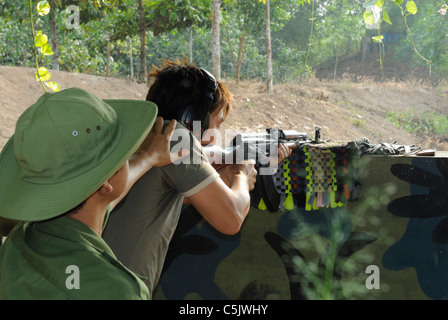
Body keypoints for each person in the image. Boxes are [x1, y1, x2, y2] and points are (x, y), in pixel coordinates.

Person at [102, 59, 291, 297]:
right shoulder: (178, 136)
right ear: (194, 116)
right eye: (215, 124)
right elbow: (231, 218)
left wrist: (221, 177)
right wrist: (241, 175)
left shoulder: (143, 132)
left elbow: (159, 196)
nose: (212, 137)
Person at [0, 87, 180, 300]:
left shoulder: (19, 239)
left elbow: (104, 197)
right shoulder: (118, 290)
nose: (128, 159)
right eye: (124, 155)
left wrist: (147, 158)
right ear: (104, 184)